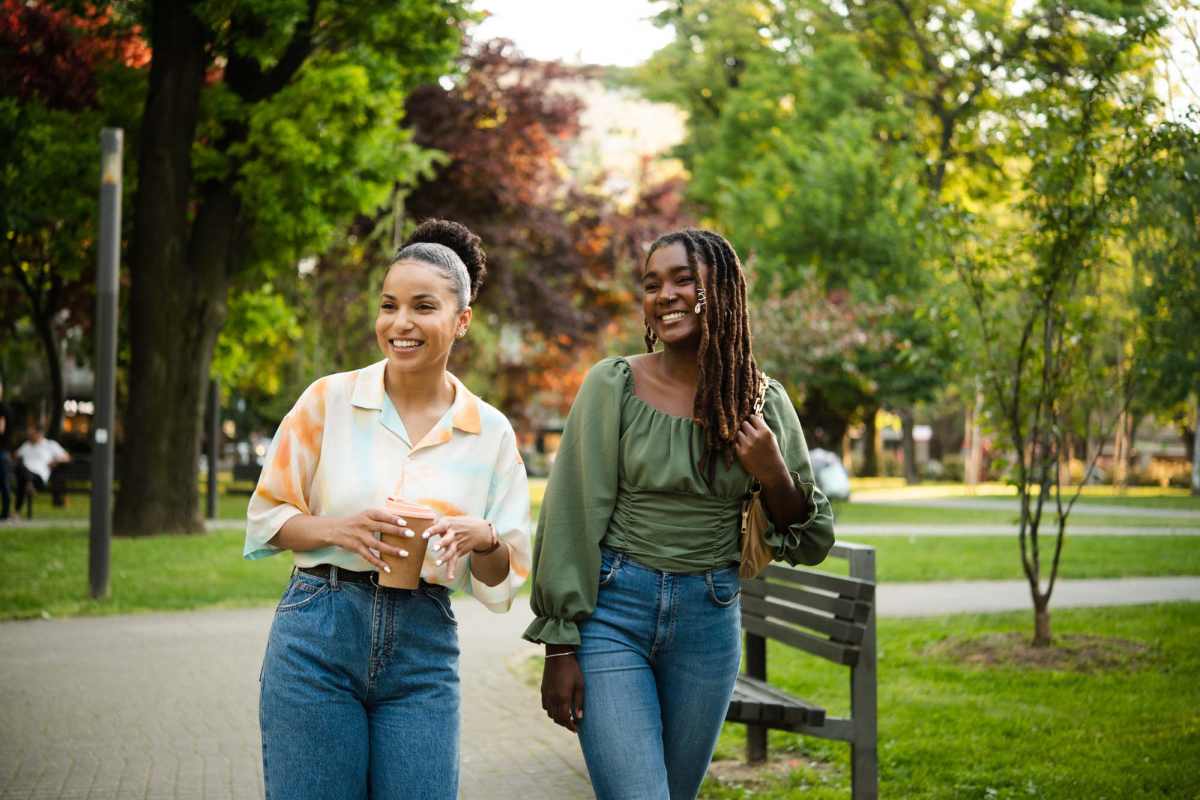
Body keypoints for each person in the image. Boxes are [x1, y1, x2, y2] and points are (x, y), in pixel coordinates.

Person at [525, 228, 836, 800]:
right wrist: (561, 644)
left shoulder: (763, 403)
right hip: (614, 616)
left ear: (722, 292)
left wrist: (771, 471)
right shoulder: (613, 385)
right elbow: (571, 514)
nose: (663, 294)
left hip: (709, 623)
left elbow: (812, 538)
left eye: (682, 279)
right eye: (651, 284)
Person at [244, 219, 532, 800]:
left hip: (423, 645)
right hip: (318, 631)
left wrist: (486, 538)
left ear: (462, 321)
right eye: (389, 305)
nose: (400, 323)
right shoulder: (329, 399)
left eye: (423, 306)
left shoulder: (490, 432)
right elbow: (268, 517)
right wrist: (338, 529)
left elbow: (500, 583)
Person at [14, 422, 71, 515]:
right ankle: (29, 484)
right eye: (28, 434)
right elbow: (15, 456)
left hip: (39, 477)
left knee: (23, 478)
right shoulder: (26, 445)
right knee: (22, 472)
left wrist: (56, 460)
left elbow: (67, 457)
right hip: (25, 475)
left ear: (39, 433)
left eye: (31, 433)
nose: (29, 435)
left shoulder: (50, 445)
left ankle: (16, 512)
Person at [0, 381, 12, 520]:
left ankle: (5, 512)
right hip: (4, 451)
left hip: (2, 451)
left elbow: (1, 429)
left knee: (4, 482)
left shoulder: (2, 408)